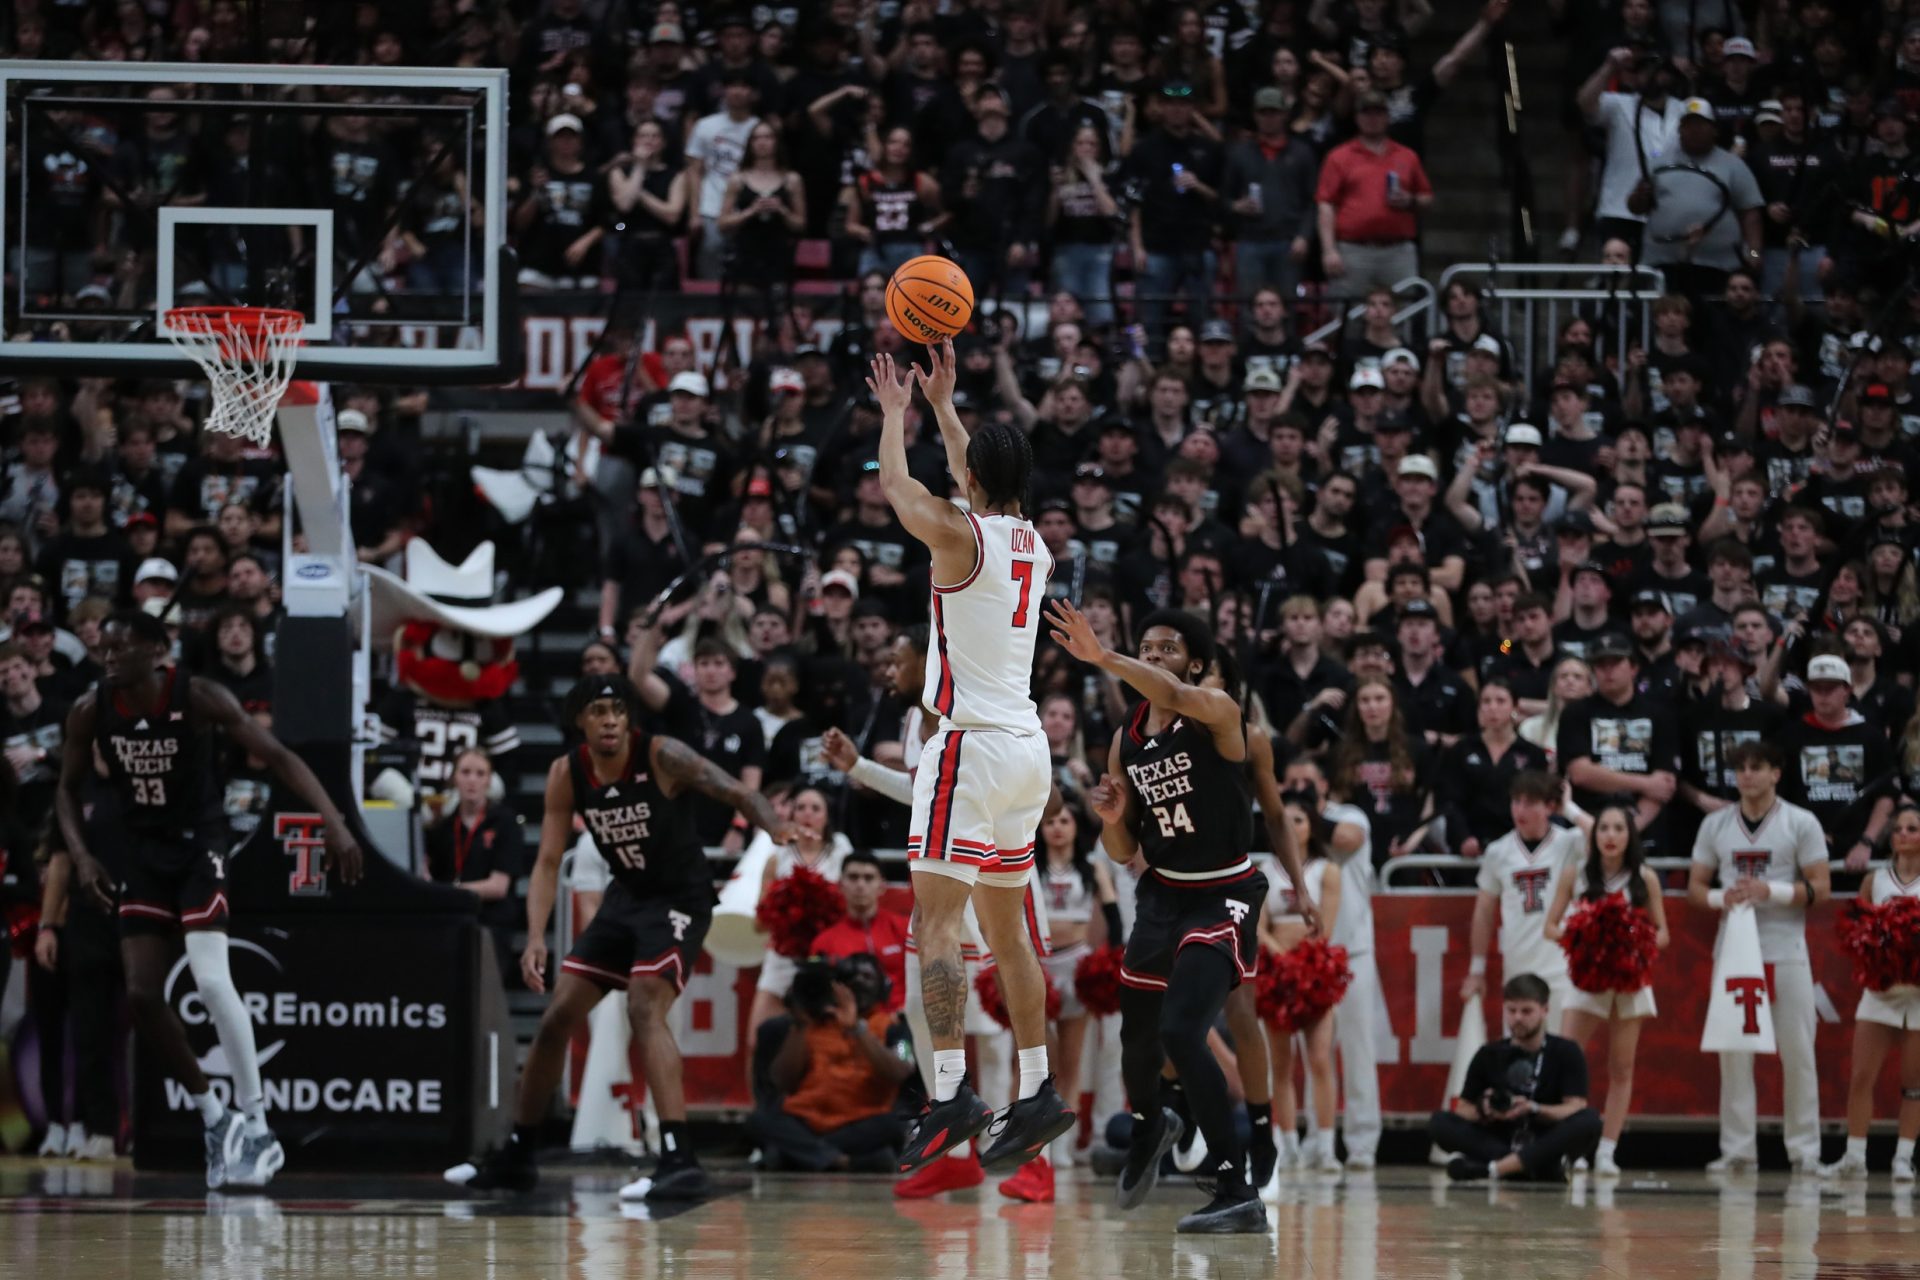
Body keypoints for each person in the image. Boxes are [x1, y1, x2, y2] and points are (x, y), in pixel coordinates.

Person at [446, 674, 790, 1198]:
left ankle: (679, 1157)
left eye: (618, 710)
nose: (610, 719)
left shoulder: (662, 755)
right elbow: (545, 861)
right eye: (598, 710)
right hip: (624, 898)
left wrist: (777, 831)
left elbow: (738, 791)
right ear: (579, 720)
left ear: (629, 718)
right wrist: (536, 936)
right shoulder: (568, 772)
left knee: (643, 1006)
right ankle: (519, 1153)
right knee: (557, 1017)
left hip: (679, 898)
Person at [56, 610, 363, 1189]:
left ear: (156, 650)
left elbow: (279, 756)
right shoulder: (89, 710)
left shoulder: (198, 696)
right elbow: (66, 791)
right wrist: (82, 855)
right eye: (105, 647)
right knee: (144, 994)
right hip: (142, 855)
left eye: (121, 647)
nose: (109, 656)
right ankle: (215, 1119)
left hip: (200, 846)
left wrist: (335, 822)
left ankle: (259, 1122)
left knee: (212, 979)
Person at [868, 346, 1072, 1175]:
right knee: (1008, 934)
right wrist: (947, 410)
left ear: (972, 482)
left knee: (937, 928)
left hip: (969, 747)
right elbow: (972, 478)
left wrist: (894, 413)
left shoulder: (957, 537)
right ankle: (1037, 1091)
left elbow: (895, 487)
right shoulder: (1034, 545)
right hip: (1028, 752)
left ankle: (950, 1088)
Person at [1050, 600, 1267, 1235]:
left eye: (1165, 649)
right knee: (1136, 1041)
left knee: (1181, 1031)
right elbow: (1123, 851)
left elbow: (1171, 691)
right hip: (1161, 894)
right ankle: (1150, 1126)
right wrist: (1113, 819)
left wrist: (1102, 657)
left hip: (1222, 893)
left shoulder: (1219, 711)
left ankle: (1236, 1186)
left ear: (1196, 664)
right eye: (1144, 649)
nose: (1152, 659)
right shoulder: (1126, 740)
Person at [1687, 740, 1830, 1174]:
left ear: (1776, 773)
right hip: (1734, 951)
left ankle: (1805, 1152)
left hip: (1786, 950)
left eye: (1757, 767)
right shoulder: (1715, 825)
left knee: (1798, 1052)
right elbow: (1695, 889)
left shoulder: (1801, 822)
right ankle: (1737, 1151)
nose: (1747, 775)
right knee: (1734, 1052)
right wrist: (1719, 898)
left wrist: (1773, 891)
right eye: (1741, 768)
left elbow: (1820, 889)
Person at [1543, 803, 1670, 1179]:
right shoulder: (1576, 874)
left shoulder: (1644, 878)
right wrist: (1584, 937)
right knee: (1569, 1063)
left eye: (1618, 828)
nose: (1610, 836)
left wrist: (1635, 944)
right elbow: (1550, 926)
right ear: (1593, 835)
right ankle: (1572, 1146)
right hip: (1588, 979)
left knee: (1621, 1067)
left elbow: (1662, 933)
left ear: (1629, 835)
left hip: (1628, 981)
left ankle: (1607, 1151)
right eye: (1603, 829)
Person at [1819, 800, 1920, 1183]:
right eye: (1898, 830)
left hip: (1919, 996)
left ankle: (1902, 1158)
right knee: (1862, 1075)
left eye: (1912, 829)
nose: (1904, 835)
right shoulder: (1874, 881)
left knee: (1913, 1083)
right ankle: (1854, 1157)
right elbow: (1857, 935)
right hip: (1881, 992)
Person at [1429, 973, 1603, 1181]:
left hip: (1543, 1136)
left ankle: (1495, 1169)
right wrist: (1486, 1110)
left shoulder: (1566, 1051)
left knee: (1590, 1121)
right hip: (1500, 1137)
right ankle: (1535, 1166)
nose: (1518, 1018)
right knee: (1439, 1122)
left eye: (1526, 1011)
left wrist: (1535, 1108)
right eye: (1511, 1010)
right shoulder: (1488, 1053)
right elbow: (1463, 1109)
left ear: (1544, 1010)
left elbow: (1575, 1106)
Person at [748, 954, 914, 1173]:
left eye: (867, 977)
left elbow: (901, 1070)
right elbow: (783, 1082)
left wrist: (857, 1028)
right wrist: (801, 1025)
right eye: (852, 980)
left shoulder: (894, 1027)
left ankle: (802, 1156)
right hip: (806, 1120)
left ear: (882, 986)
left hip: (860, 1120)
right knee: (759, 1120)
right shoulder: (811, 1022)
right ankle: (841, 1161)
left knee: (894, 1125)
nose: (859, 984)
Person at [1256, 789, 1342, 1181]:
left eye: (1299, 820)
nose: (1291, 826)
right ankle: (1286, 1144)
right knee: (1281, 1064)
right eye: (1284, 820)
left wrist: (1302, 962)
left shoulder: (1327, 870)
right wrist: (1280, 956)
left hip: (1314, 970)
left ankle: (1325, 1146)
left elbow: (1325, 925)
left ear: (1311, 828)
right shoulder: (1261, 871)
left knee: (1320, 1059)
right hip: (1275, 970)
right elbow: (1258, 928)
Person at [1034, 794, 1120, 1176]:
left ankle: (1061, 1143)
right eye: (1050, 822)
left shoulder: (1093, 868)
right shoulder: (1029, 866)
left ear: (1075, 828)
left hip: (1077, 963)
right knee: (1036, 1059)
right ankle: (1031, 1140)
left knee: (1070, 1061)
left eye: (1064, 821)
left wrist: (1107, 963)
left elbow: (1115, 920)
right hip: (1037, 965)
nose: (1056, 827)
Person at [1463, 771, 1588, 1028]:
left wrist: (1570, 808)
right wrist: (1476, 969)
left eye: (1530, 803)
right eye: (1515, 801)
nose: (1520, 810)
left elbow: (1612, 838)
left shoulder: (1570, 843)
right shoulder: (1499, 852)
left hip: (1562, 967)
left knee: (1559, 1051)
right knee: (1518, 1050)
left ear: (1549, 807)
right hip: (1518, 965)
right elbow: (1484, 912)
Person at [747, 787, 851, 1046]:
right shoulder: (776, 856)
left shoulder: (841, 851)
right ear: (791, 814)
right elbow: (759, 923)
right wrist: (786, 917)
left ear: (827, 817)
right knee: (757, 1040)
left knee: (831, 1041)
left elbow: (849, 913)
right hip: (784, 957)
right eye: (801, 807)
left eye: (815, 808)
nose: (807, 813)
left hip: (830, 958)